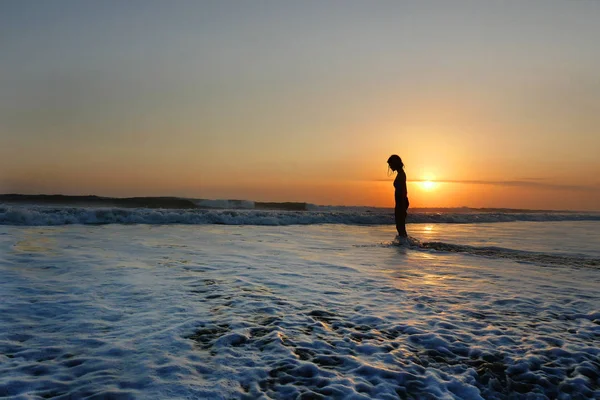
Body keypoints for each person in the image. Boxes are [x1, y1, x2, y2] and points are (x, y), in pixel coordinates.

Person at [387, 154, 409, 237]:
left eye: (390, 164)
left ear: (395, 163)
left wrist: (402, 207)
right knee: (399, 226)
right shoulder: (400, 174)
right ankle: (403, 243)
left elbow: (403, 191)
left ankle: (404, 244)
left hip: (401, 202)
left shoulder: (401, 175)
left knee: (400, 227)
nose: (390, 166)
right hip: (400, 202)